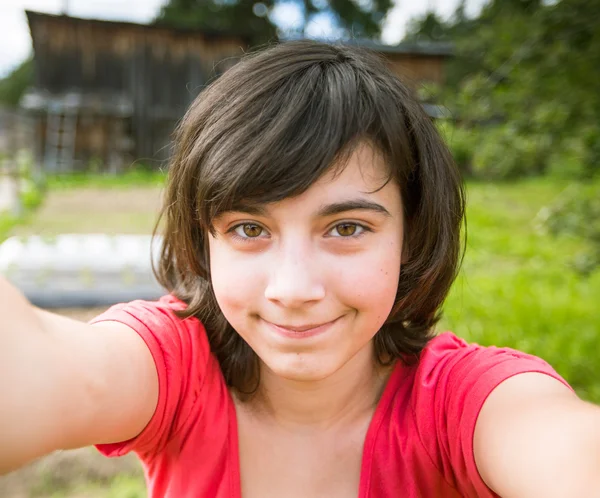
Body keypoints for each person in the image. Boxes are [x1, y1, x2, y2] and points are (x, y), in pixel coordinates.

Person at [0, 40, 598, 498]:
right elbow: (50, 370)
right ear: (204, 241)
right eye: (249, 229)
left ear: (410, 237)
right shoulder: (174, 371)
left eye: (346, 229)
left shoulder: (463, 403)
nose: (293, 290)